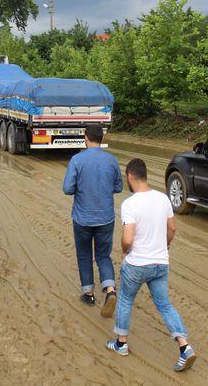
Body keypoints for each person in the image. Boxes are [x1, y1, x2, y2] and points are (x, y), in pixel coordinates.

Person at [105, 158, 196, 373]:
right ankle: (185, 347)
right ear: (145, 175)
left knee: (126, 300)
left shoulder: (130, 204)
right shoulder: (163, 199)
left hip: (137, 264)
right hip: (160, 263)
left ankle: (121, 344)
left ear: (129, 177)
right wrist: (164, 246)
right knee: (165, 305)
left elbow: (128, 239)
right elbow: (172, 229)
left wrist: (124, 249)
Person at [62, 124, 122, 317]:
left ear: (85, 137)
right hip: (105, 217)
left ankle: (88, 293)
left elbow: (67, 188)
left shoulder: (77, 160)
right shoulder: (112, 160)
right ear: (102, 138)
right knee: (104, 256)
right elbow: (118, 187)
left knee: (84, 254)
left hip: (82, 219)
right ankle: (110, 290)